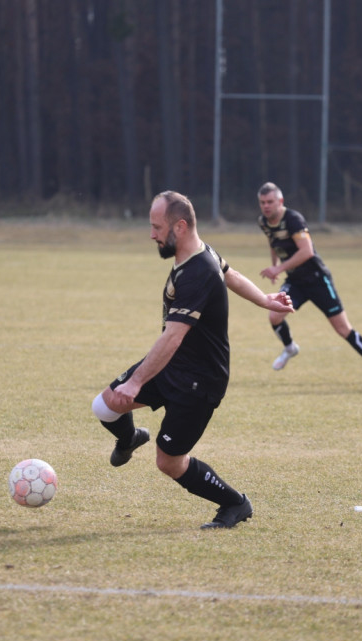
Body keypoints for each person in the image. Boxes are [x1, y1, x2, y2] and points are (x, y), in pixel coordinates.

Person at [91, 190, 294, 529]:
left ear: (180, 227)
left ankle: (235, 503)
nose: (152, 234)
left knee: (168, 462)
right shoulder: (200, 253)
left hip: (199, 380)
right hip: (175, 364)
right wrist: (264, 299)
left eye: (157, 227)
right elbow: (231, 274)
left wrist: (137, 380)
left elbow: (173, 336)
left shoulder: (197, 271)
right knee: (105, 406)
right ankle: (129, 439)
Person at [255, 182, 362, 384]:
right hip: (296, 282)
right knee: (274, 316)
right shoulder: (264, 222)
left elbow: (307, 251)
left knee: (342, 329)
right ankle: (290, 348)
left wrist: (278, 268)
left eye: (270, 202)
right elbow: (273, 242)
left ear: (280, 201)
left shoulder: (293, 220)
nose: (266, 206)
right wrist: (274, 267)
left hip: (317, 279)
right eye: (263, 202)